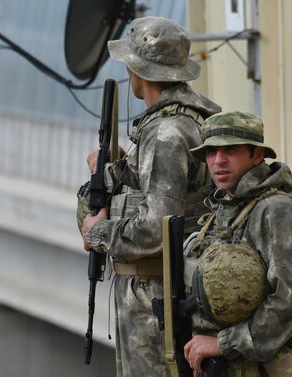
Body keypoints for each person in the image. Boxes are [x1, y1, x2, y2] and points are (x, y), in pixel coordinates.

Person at [80, 16, 221, 377]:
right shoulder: (194, 118)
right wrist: (112, 170)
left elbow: (158, 229)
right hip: (169, 289)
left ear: (138, 72)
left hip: (156, 295)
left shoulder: (166, 134)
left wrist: (97, 232)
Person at [182, 111, 292, 376]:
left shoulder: (277, 211)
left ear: (257, 155)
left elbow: (287, 302)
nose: (219, 161)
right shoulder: (223, 209)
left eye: (231, 150)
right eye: (211, 152)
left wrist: (222, 344)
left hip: (268, 367)